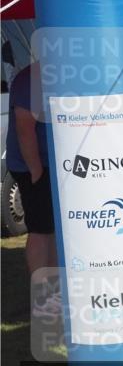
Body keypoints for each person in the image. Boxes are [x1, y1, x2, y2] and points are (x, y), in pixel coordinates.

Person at [5, 63, 57, 297]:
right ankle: (42, 289)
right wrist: (36, 171)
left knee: (53, 228)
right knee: (41, 229)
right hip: (34, 166)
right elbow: (25, 129)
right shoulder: (31, 79)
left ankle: (55, 285)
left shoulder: (58, 74)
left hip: (53, 165)